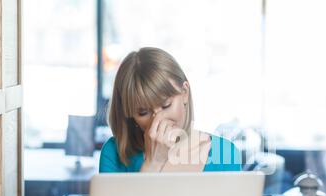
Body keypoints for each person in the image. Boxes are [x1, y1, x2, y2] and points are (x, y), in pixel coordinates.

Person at [99, 47, 242, 173]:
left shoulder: (224, 154)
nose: (158, 120)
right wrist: (153, 164)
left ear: (184, 93)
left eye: (166, 105)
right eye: (143, 112)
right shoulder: (114, 154)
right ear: (130, 115)